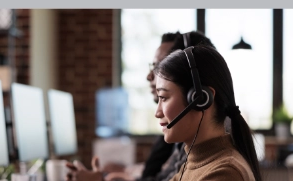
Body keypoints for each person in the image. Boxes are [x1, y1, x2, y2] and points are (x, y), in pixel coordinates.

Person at [66, 31, 217, 181]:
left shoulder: (218, 166)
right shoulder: (189, 142)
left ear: (198, 95)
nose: (150, 76)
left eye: (161, 66)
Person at [154, 45, 261, 180]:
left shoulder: (224, 173)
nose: (157, 113)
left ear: (200, 98)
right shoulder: (195, 161)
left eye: (163, 97)